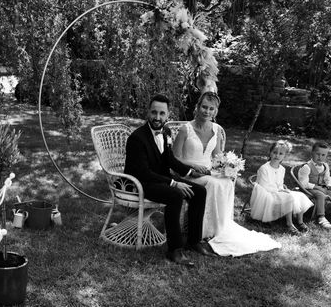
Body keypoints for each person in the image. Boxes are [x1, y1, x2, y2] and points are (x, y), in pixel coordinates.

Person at [173, 91, 280, 256]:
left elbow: (217, 157)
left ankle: (218, 228)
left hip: (208, 171)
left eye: (211, 109)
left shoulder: (216, 130)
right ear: (197, 107)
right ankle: (202, 231)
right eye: (204, 107)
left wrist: (228, 166)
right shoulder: (185, 130)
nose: (206, 111)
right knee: (214, 183)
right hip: (187, 172)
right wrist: (194, 166)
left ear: (215, 111)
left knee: (227, 182)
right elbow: (175, 158)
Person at [124, 93, 214, 266]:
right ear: (148, 112)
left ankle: (194, 241)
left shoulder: (165, 132)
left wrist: (189, 172)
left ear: (167, 114)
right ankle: (175, 250)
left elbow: (169, 159)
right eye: (154, 112)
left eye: (162, 113)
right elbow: (143, 173)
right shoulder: (136, 138)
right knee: (175, 195)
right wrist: (173, 183)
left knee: (199, 191)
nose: (157, 117)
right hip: (141, 183)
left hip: (160, 178)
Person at [252, 140, 315, 233]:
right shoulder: (264, 168)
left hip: (277, 191)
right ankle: (289, 224)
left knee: (300, 195)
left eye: (280, 154)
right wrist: (279, 191)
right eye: (274, 152)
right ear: (270, 153)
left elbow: (280, 184)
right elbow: (264, 186)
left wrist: (282, 189)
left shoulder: (282, 169)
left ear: (284, 156)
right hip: (266, 193)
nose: (277, 156)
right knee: (288, 197)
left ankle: (300, 222)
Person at [296, 141, 331, 229]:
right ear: (312, 153)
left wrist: (329, 185)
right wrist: (317, 187)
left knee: (324, 192)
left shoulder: (325, 166)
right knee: (320, 194)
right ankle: (321, 217)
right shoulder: (307, 167)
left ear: (326, 156)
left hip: (319, 187)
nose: (320, 157)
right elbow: (303, 184)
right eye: (318, 154)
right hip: (307, 188)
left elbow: (327, 178)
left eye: (323, 155)